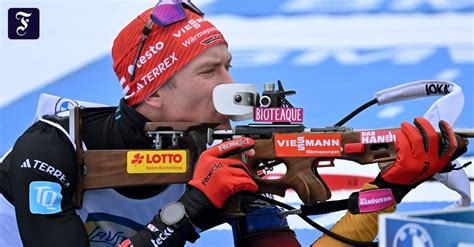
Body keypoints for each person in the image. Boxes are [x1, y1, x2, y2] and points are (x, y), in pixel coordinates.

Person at [0, 1, 460, 247]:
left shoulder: (225, 150)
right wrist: (193, 209)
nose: (232, 85)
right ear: (153, 93)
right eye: (209, 71)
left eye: (229, 66)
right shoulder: (48, 151)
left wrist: (389, 190)